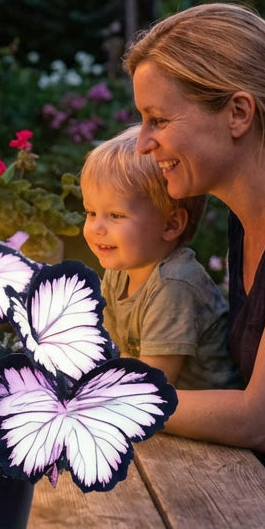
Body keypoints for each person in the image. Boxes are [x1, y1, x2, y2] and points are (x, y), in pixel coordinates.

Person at [124, 1, 265, 518]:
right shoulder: (245, 215)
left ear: (238, 113)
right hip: (260, 497)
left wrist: (118, 398)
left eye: (158, 118)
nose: (142, 144)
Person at [81, 124, 240, 391]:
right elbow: (106, 351)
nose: (97, 228)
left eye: (116, 215)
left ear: (171, 225)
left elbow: (151, 386)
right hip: (158, 407)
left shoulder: (174, 284)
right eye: (91, 212)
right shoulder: (120, 271)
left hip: (203, 423)